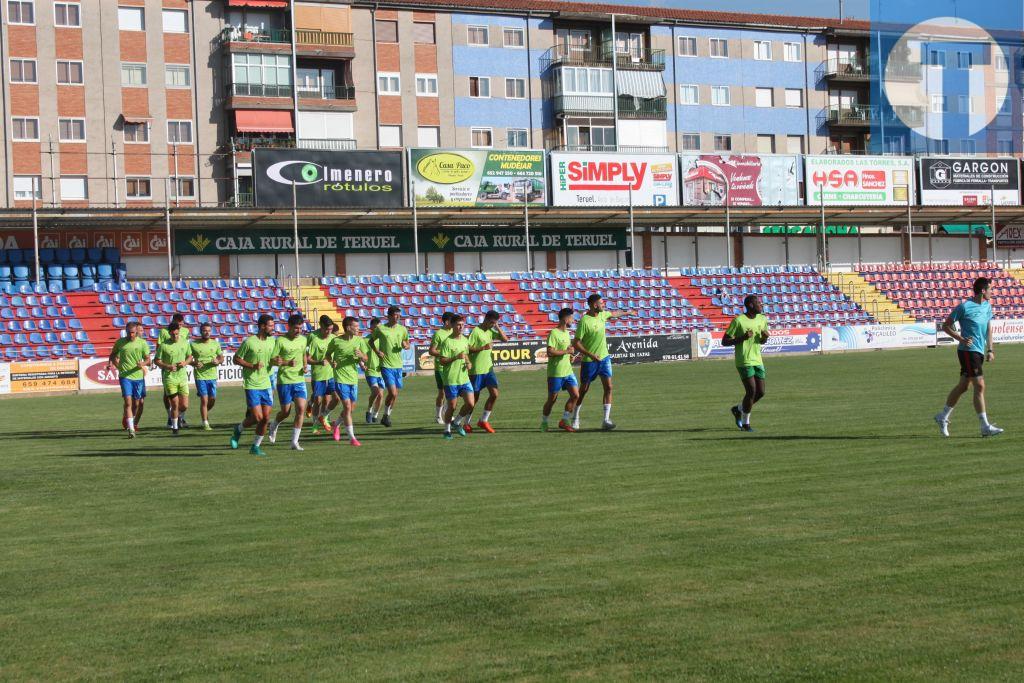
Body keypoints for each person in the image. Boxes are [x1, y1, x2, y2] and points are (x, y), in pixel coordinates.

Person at [935, 277, 1003, 438]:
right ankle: (985, 426)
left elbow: (988, 329)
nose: (992, 292)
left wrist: (990, 350)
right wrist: (960, 338)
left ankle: (942, 417)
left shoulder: (987, 306)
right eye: (990, 289)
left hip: (978, 352)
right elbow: (946, 325)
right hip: (967, 350)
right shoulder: (965, 307)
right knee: (979, 385)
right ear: (982, 291)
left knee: (964, 386)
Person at [572, 293, 635, 431]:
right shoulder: (584, 321)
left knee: (609, 387)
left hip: (604, 358)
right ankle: (575, 417)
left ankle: (606, 420)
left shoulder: (602, 315)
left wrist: (627, 312)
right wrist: (589, 354)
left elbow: (614, 314)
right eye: (601, 303)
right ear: (595, 305)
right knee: (583, 390)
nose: (604, 305)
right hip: (589, 361)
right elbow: (576, 343)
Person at [230, 314, 276, 456]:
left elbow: (272, 359)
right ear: (262, 326)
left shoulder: (272, 342)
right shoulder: (249, 342)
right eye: (270, 326)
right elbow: (236, 359)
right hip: (252, 384)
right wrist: (251, 365)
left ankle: (255, 447)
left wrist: (278, 361)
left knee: (266, 418)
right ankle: (238, 430)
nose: (273, 328)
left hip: (266, 383)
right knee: (257, 417)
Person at [723, 295, 770, 432]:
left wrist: (764, 338)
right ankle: (746, 424)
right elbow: (725, 341)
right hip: (743, 360)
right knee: (751, 391)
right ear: (750, 305)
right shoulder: (738, 321)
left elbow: (760, 341)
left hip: (757, 359)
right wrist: (743, 337)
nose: (761, 305)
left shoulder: (762, 319)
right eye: (758, 303)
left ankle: (738, 409)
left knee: (760, 392)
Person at [268, 313, 309, 451]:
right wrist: (286, 362)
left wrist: (305, 366)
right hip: (284, 380)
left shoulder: (303, 340)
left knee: (301, 409)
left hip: (299, 380)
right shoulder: (280, 341)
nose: (298, 331)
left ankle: (294, 442)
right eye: (296, 328)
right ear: (289, 326)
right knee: (285, 412)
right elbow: (272, 359)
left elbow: (304, 354)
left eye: (300, 328)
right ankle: (274, 424)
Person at [328, 316, 369, 446]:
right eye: (355, 326)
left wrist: (362, 356)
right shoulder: (336, 341)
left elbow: (366, 358)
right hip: (340, 378)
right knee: (346, 406)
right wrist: (331, 362)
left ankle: (336, 424)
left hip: (353, 378)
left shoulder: (359, 341)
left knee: (351, 408)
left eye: (358, 326)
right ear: (347, 328)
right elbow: (328, 355)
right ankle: (352, 438)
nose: (358, 328)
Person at [107, 321, 151, 439]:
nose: (130, 335)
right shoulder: (120, 342)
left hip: (138, 377)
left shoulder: (142, 343)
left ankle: (130, 420)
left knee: (136, 403)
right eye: (128, 332)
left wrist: (142, 363)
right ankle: (131, 429)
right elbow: (113, 354)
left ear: (136, 331)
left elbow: (149, 360)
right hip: (125, 376)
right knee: (128, 402)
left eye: (132, 332)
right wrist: (114, 364)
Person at [466, 310, 508, 433]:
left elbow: (505, 339)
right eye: (491, 322)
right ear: (485, 319)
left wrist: (497, 327)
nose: (492, 325)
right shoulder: (476, 331)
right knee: (474, 399)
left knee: (495, 394)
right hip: (476, 370)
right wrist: (483, 348)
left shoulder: (491, 331)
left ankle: (483, 420)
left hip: (488, 369)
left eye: (494, 323)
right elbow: (468, 348)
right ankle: (466, 423)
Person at [370, 305, 410, 428]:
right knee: (392, 392)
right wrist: (377, 352)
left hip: (398, 365)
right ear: (389, 316)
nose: (397, 317)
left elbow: (407, 343)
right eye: (395, 315)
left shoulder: (403, 329)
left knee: (395, 395)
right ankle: (385, 415)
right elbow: (371, 341)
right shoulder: (381, 329)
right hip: (386, 364)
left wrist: (406, 345)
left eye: (399, 315)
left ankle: (386, 416)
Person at [436, 314, 475, 440]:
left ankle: (457, 422)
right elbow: (442, 361)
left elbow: (466, 355)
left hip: (464, 379)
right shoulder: (447, 342)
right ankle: (447, 430)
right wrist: (455, 358)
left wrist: (468, 363)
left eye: (463, 325)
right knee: (452, 406)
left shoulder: (465, 340)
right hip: (451, 379)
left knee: (470, 404)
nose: (461, 327)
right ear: (452, 325)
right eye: (458, 324)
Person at [542, 307, 580, 433]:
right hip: (556, 373)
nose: (573, 320)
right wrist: (566, 351)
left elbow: (566, 351)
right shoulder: (554, 333)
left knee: (575, 395)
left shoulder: (567, 333)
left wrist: (570, 356)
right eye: (571, 317)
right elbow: (550, 352)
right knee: (552, 399)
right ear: (565, 318)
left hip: (568, 371)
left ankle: (564, 420)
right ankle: (544, 421)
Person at [154, 322, 193, 436]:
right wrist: (167, 366)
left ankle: (177, 417)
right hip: (170, 378)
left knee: (184, 405)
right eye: (173, 335)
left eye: (177, 334)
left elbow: (190, 356)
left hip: (182, 377)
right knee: (175, 403)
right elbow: (156, 360)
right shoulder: (164, 345)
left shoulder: (185, 343)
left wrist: (185, 362)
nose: (175, 336)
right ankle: (175, 428)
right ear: (169, 333)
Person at [306, 315, 337, 434]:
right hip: (318, 375)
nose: (329, 332)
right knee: (318, 399)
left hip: (330, 374)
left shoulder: (333, 338)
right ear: (321, 326)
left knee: (329, 400)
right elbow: (307, 355)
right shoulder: (313, 337)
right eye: (327, 329)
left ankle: (324, 418)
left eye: (331, 329)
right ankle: (315, 425)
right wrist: (317, 362)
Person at [190, 322, 223, 430]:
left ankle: (204, 412)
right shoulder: (193, 344)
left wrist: (217, 361)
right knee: (204, 400)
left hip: (212, 376)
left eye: (208, 330)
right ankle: (205, 423)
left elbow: (221, 357)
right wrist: (194, 363)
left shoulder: (215, 344)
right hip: (200, 376)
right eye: (204, 330)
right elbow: (188, 359)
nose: (207, 332)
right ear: (200, 331)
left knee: (212, 399)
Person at [428, 312, 455, 424]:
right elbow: (432, 351)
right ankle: (438, 416)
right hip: (441, 368)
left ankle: (447, 413)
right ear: (447, 322)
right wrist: (444, 353)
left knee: (452, 392)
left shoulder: (454, 332)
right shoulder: (438, 334)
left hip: (452, 367)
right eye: (453, 321)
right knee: (442, 393)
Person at [364, 317, 385, 424]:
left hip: (381, 371)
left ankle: (375, 415)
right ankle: (369, 410)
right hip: (370, 370)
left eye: (380, 327)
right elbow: (360, 354)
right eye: (376, 327)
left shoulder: (383, 339)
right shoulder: (366, 340)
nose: (378, 329)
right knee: (375, 392)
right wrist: (362, 364)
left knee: (381, 395)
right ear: (371, 327)